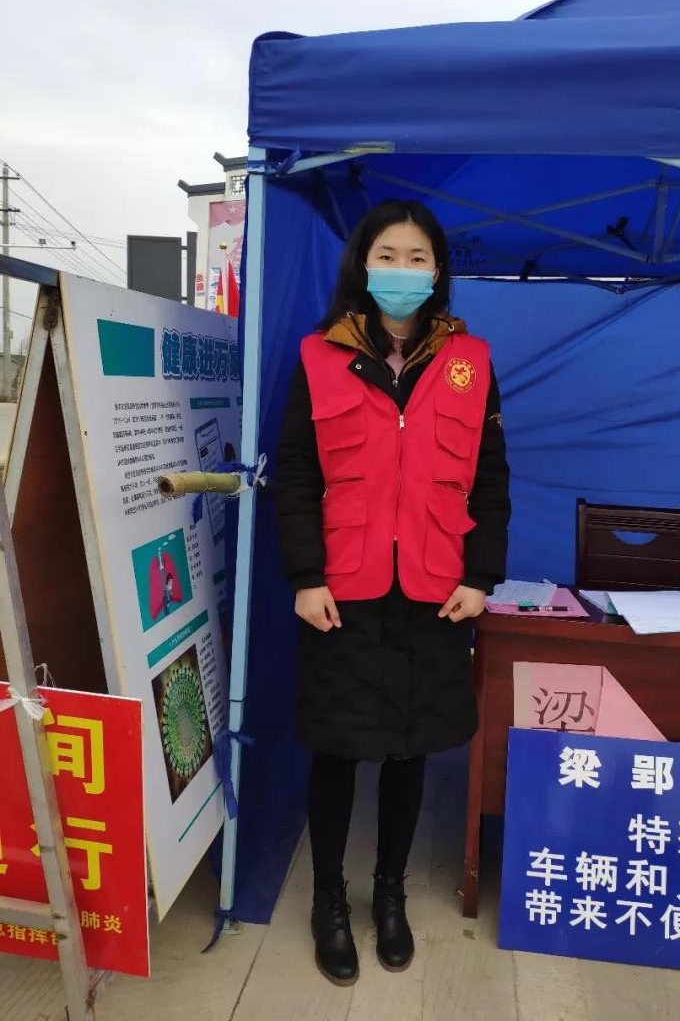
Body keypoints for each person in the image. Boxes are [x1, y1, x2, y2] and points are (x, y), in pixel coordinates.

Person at [274, 199, 510, 986]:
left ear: (438, 271)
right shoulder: (320, 357)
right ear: (363, 265)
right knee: (338, 748)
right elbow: (296, 476)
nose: (402, 270)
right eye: (388, 255)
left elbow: (492, 479)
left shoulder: (471, 361)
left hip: (435, 590)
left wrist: (480, 576)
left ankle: (389, 893)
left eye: (417, 258)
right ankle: (328, 901)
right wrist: (306, 577)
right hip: (343, 590)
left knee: (410, 748)